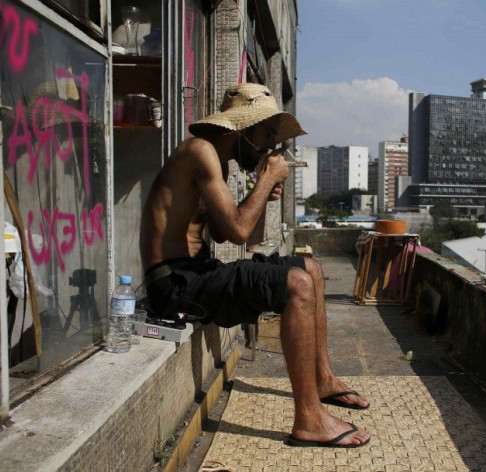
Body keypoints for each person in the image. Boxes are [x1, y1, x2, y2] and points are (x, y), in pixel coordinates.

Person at [139, 83, 371, 448]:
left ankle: (323, 378)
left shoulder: (219, 160)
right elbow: (238, 230)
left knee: (309, 268)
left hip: (198, 274)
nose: (271, 146)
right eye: (267, 134)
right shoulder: (200, 152)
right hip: (175, 284)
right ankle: (309, 419)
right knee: (296, 283)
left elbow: (242, 236)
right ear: (243, 129)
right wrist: (265, 181)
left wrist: (265, 193)